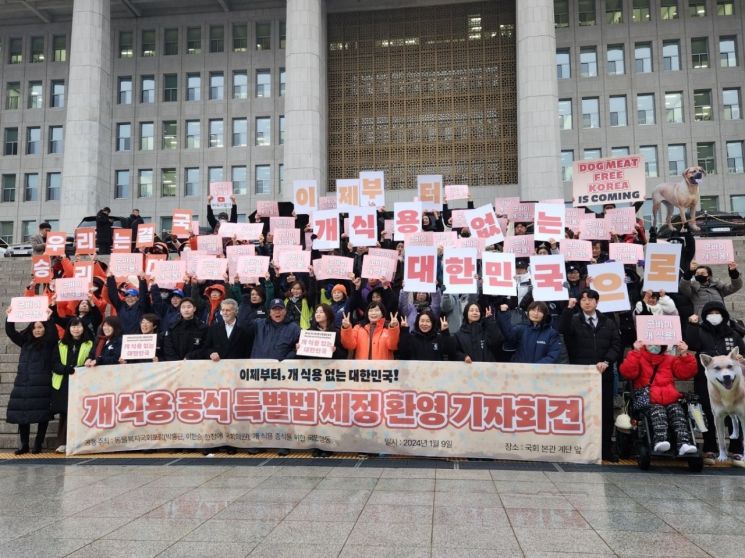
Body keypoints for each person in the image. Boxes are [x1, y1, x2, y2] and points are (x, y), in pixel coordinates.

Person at [558, 289, 622, 462]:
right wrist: (568, 309)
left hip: (603, 374)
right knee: (578, 413)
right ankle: (577, 448)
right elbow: (561, 330)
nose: (587, 302)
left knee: (605, 413)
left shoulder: (608, 323)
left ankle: (606, 449)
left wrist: (607, 361)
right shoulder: (573, 320)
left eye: (590, 299)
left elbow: (616, 345)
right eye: (583, 299)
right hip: (581, 376)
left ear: (596, 302)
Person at [685, 301, 745, 462]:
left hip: (732, 383)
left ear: (723, 315)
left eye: (717, 312)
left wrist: (741, 358)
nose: (714, 315)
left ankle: (736, 448)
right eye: (710, 313)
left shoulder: (733, 334)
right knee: (708, 413)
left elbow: (742, 352)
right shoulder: (700, 331)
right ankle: (710, 448)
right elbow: (691, 343)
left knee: (736, 414)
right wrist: (691, 325)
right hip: (706, 381)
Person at [620, 340, 698, 456]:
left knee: (678, 412)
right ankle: (660, 441)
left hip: (669, 399)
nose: (654, 346)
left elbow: (685, 373)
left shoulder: (670, 359)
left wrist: (684, 355)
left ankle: (683, 443)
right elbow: (627, 373)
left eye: (657, 344)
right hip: (648, 400)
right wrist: (635, 351)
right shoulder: (639, 357)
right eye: (650, 343)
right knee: (658, 411)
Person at [4, 307, 56, 454]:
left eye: (40, 327)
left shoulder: (49, 343)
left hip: (42, 384)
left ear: (44, 328)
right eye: (34, 327)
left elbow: (53, 334)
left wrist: (50, 318)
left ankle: (38, 444)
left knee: (42, 415)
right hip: (23, 384)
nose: (37, 330)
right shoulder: (25, 342)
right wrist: (10, 317)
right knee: (22, 414)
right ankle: (24, 444)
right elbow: (11, 333)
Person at [51, 318, 93, 453]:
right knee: (65, 412)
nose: (76, 329)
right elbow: (55, 363)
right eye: (73, 326)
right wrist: (66, 369)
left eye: (79, 326)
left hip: (83, 382)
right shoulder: (60, 344)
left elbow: (92, 360)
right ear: (68, 329)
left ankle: (80, 442)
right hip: (64, 382)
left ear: (84, 328)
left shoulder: (89, 344)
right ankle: (62, 443)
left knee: (82, 412)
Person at [496, 301, 562, 364]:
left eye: (540, 311)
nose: (535, 313)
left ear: (545, 315)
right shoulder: (521, 328)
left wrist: (535, 367)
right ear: (528, 311)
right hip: (521, 370)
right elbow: (508, 334)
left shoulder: (551, 333)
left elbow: (553, 355)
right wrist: (503, 313)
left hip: (540, 373)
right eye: (533, 310)